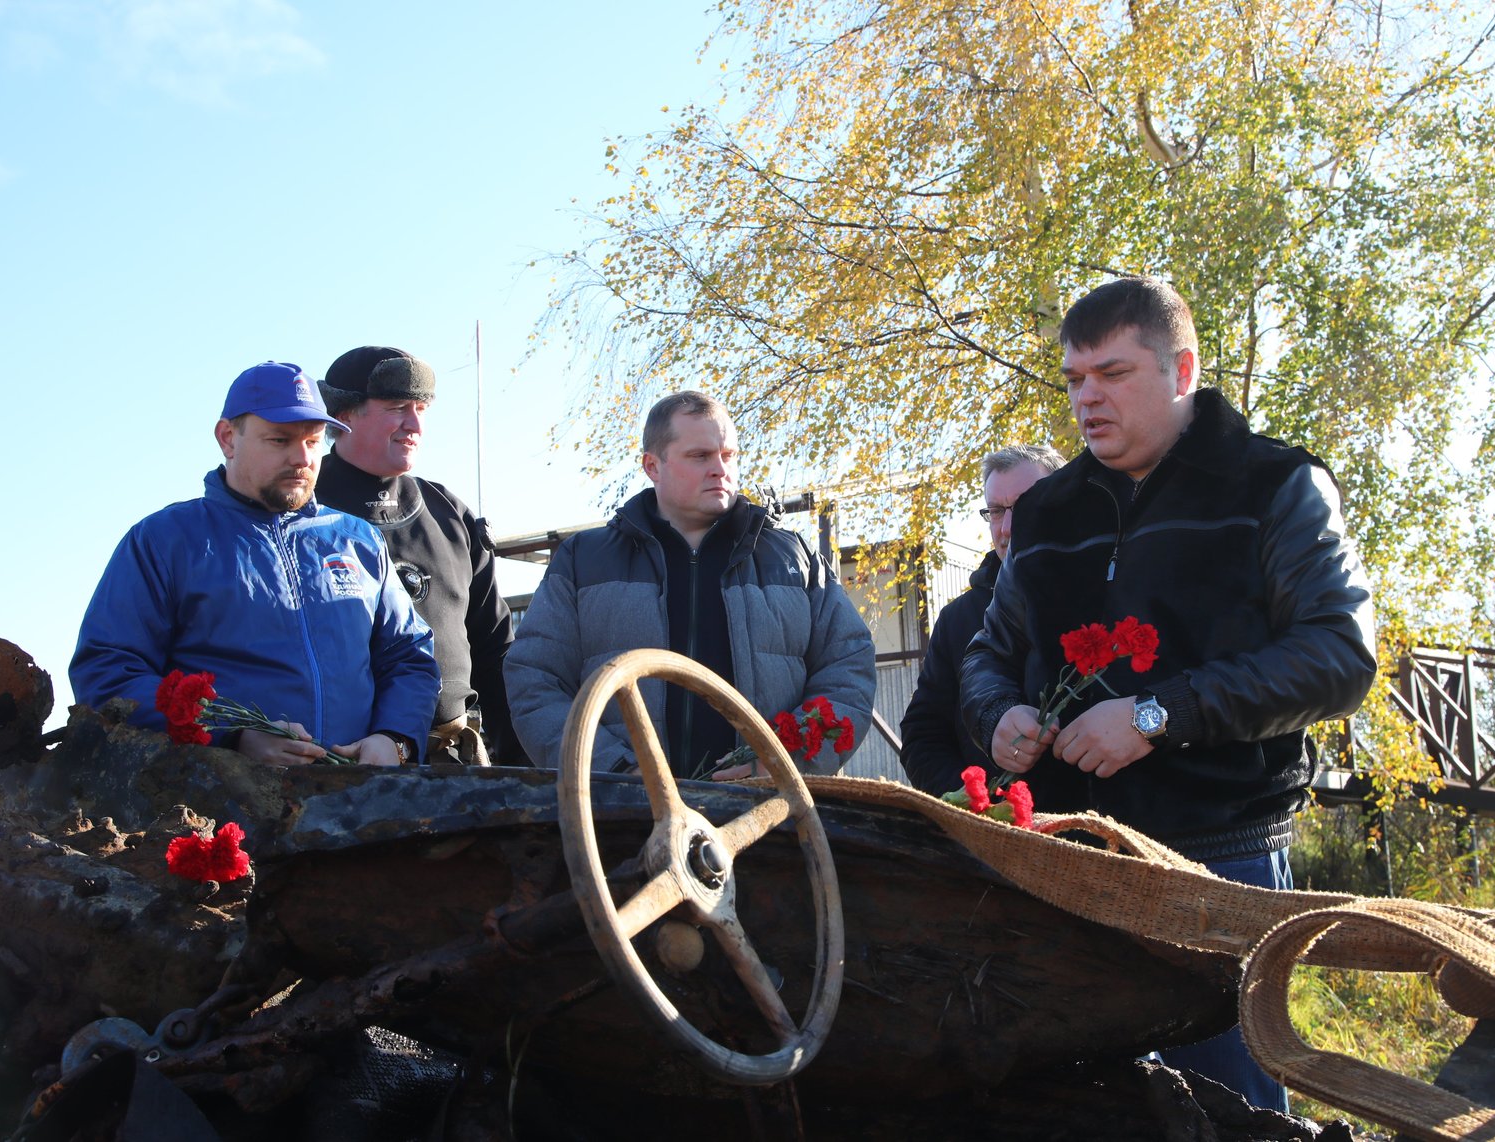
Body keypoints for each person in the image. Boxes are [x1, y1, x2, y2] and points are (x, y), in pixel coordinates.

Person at [959, 277, 1377, 1109]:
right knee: (1081, 1114)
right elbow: (987, 655)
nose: (1087, 398)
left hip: (1217, 858)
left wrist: (1158, 715)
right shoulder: (1047, 513)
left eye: (1112, 374)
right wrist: (997, 715)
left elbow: (1339, 654)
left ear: (1181, 370)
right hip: (1067, 858)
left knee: (1231, 1113)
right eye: (1075, 379)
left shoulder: (1274, 485)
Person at [70, 361, 439, 767]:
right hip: (218, 797)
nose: (302, 457)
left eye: (313, 441)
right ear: (228, 438)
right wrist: (230, 736)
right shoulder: (164, 540)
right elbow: (107, 672)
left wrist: (396, 738)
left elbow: (409, 656)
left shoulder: (359, 540)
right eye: (280, 440)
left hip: (357, 796)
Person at [505, 391, 876, 777]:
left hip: (768, 806)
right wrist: (616, 771)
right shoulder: (583, 560)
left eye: (728, 455)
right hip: (619, 809)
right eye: (700, 456)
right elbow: (535, 680)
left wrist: (779, 762)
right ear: (653, 466)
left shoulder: (795, 559)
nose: (720, 469)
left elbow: (848, 670)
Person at [315, 345, 522, 764]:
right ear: (344, 414)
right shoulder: (299, 513)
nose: (414, 425)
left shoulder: (449, 513)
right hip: (340, 766)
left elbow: (496, 652)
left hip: (455, 763)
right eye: (396, 408)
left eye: (421, 409)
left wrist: (527, 770)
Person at [899, 444, 1063, 795]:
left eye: (1027, 505)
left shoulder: (1112, 592)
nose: (1007, 528)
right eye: (996, 511)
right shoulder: (957, 620)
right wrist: (974, 801)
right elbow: (922, 737)